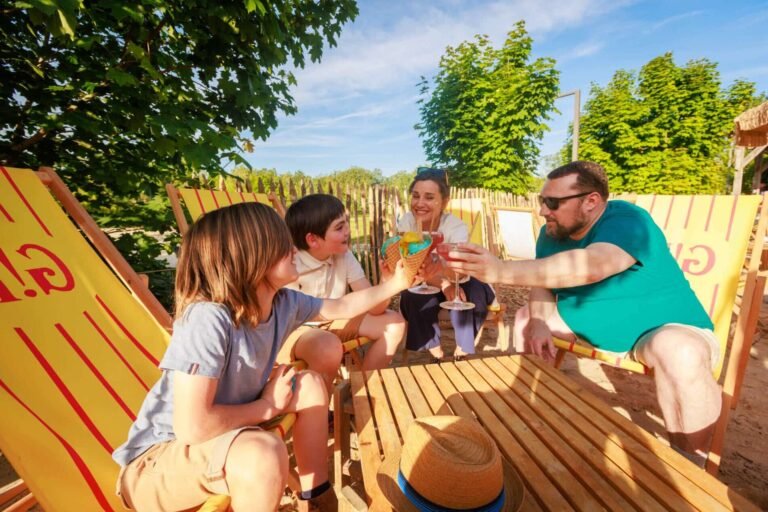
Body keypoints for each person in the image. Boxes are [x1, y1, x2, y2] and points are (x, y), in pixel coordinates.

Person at [112, 202, 413, 512]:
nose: (293, 249)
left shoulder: (284, 302)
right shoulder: (208, 318)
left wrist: (396, 284)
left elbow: (343, 307)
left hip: (221, 436)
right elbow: (193, 428)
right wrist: (267, 406)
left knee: (308, 383)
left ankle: (318, 499)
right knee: (263, 452)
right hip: (159, 464)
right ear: (250, 257)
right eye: (282, 244)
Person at [446, 160, 721, 465]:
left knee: (679, 350)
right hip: (580, 323)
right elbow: (543, 283)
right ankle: (528, 417)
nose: (543, 211)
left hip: (655, 330)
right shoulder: (552, 233)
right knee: (525, 318)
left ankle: (689, 467)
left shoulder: (628, 220)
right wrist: (538, 321)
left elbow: (592, 265)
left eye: (552, 203)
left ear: (591, 202)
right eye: (542, 201)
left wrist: (501, 270)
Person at [281, 194, 406, 376]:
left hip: (335, 320)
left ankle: (362, 387)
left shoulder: (343, 255)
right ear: (313, 240)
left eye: (346, 222)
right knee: (326, 346)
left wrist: (386, 281)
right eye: (339, 227)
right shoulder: (290, 263)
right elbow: (294, 314)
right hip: (297, 329)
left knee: (394, 322)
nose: (347, 230)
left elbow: (375, 309)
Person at [397, 167, 496, 362]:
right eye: (416, 196)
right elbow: (410, 267)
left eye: (429, 197)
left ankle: (462, 347)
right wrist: (443, 284)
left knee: (472, 292)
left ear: (444, 202)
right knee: (412, 296)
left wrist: (448, 281)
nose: (420, 203)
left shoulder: (455, 226)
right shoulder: (407, 223)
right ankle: (436, 350)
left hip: (458, 274)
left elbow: (458, 267)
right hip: (426, 279)